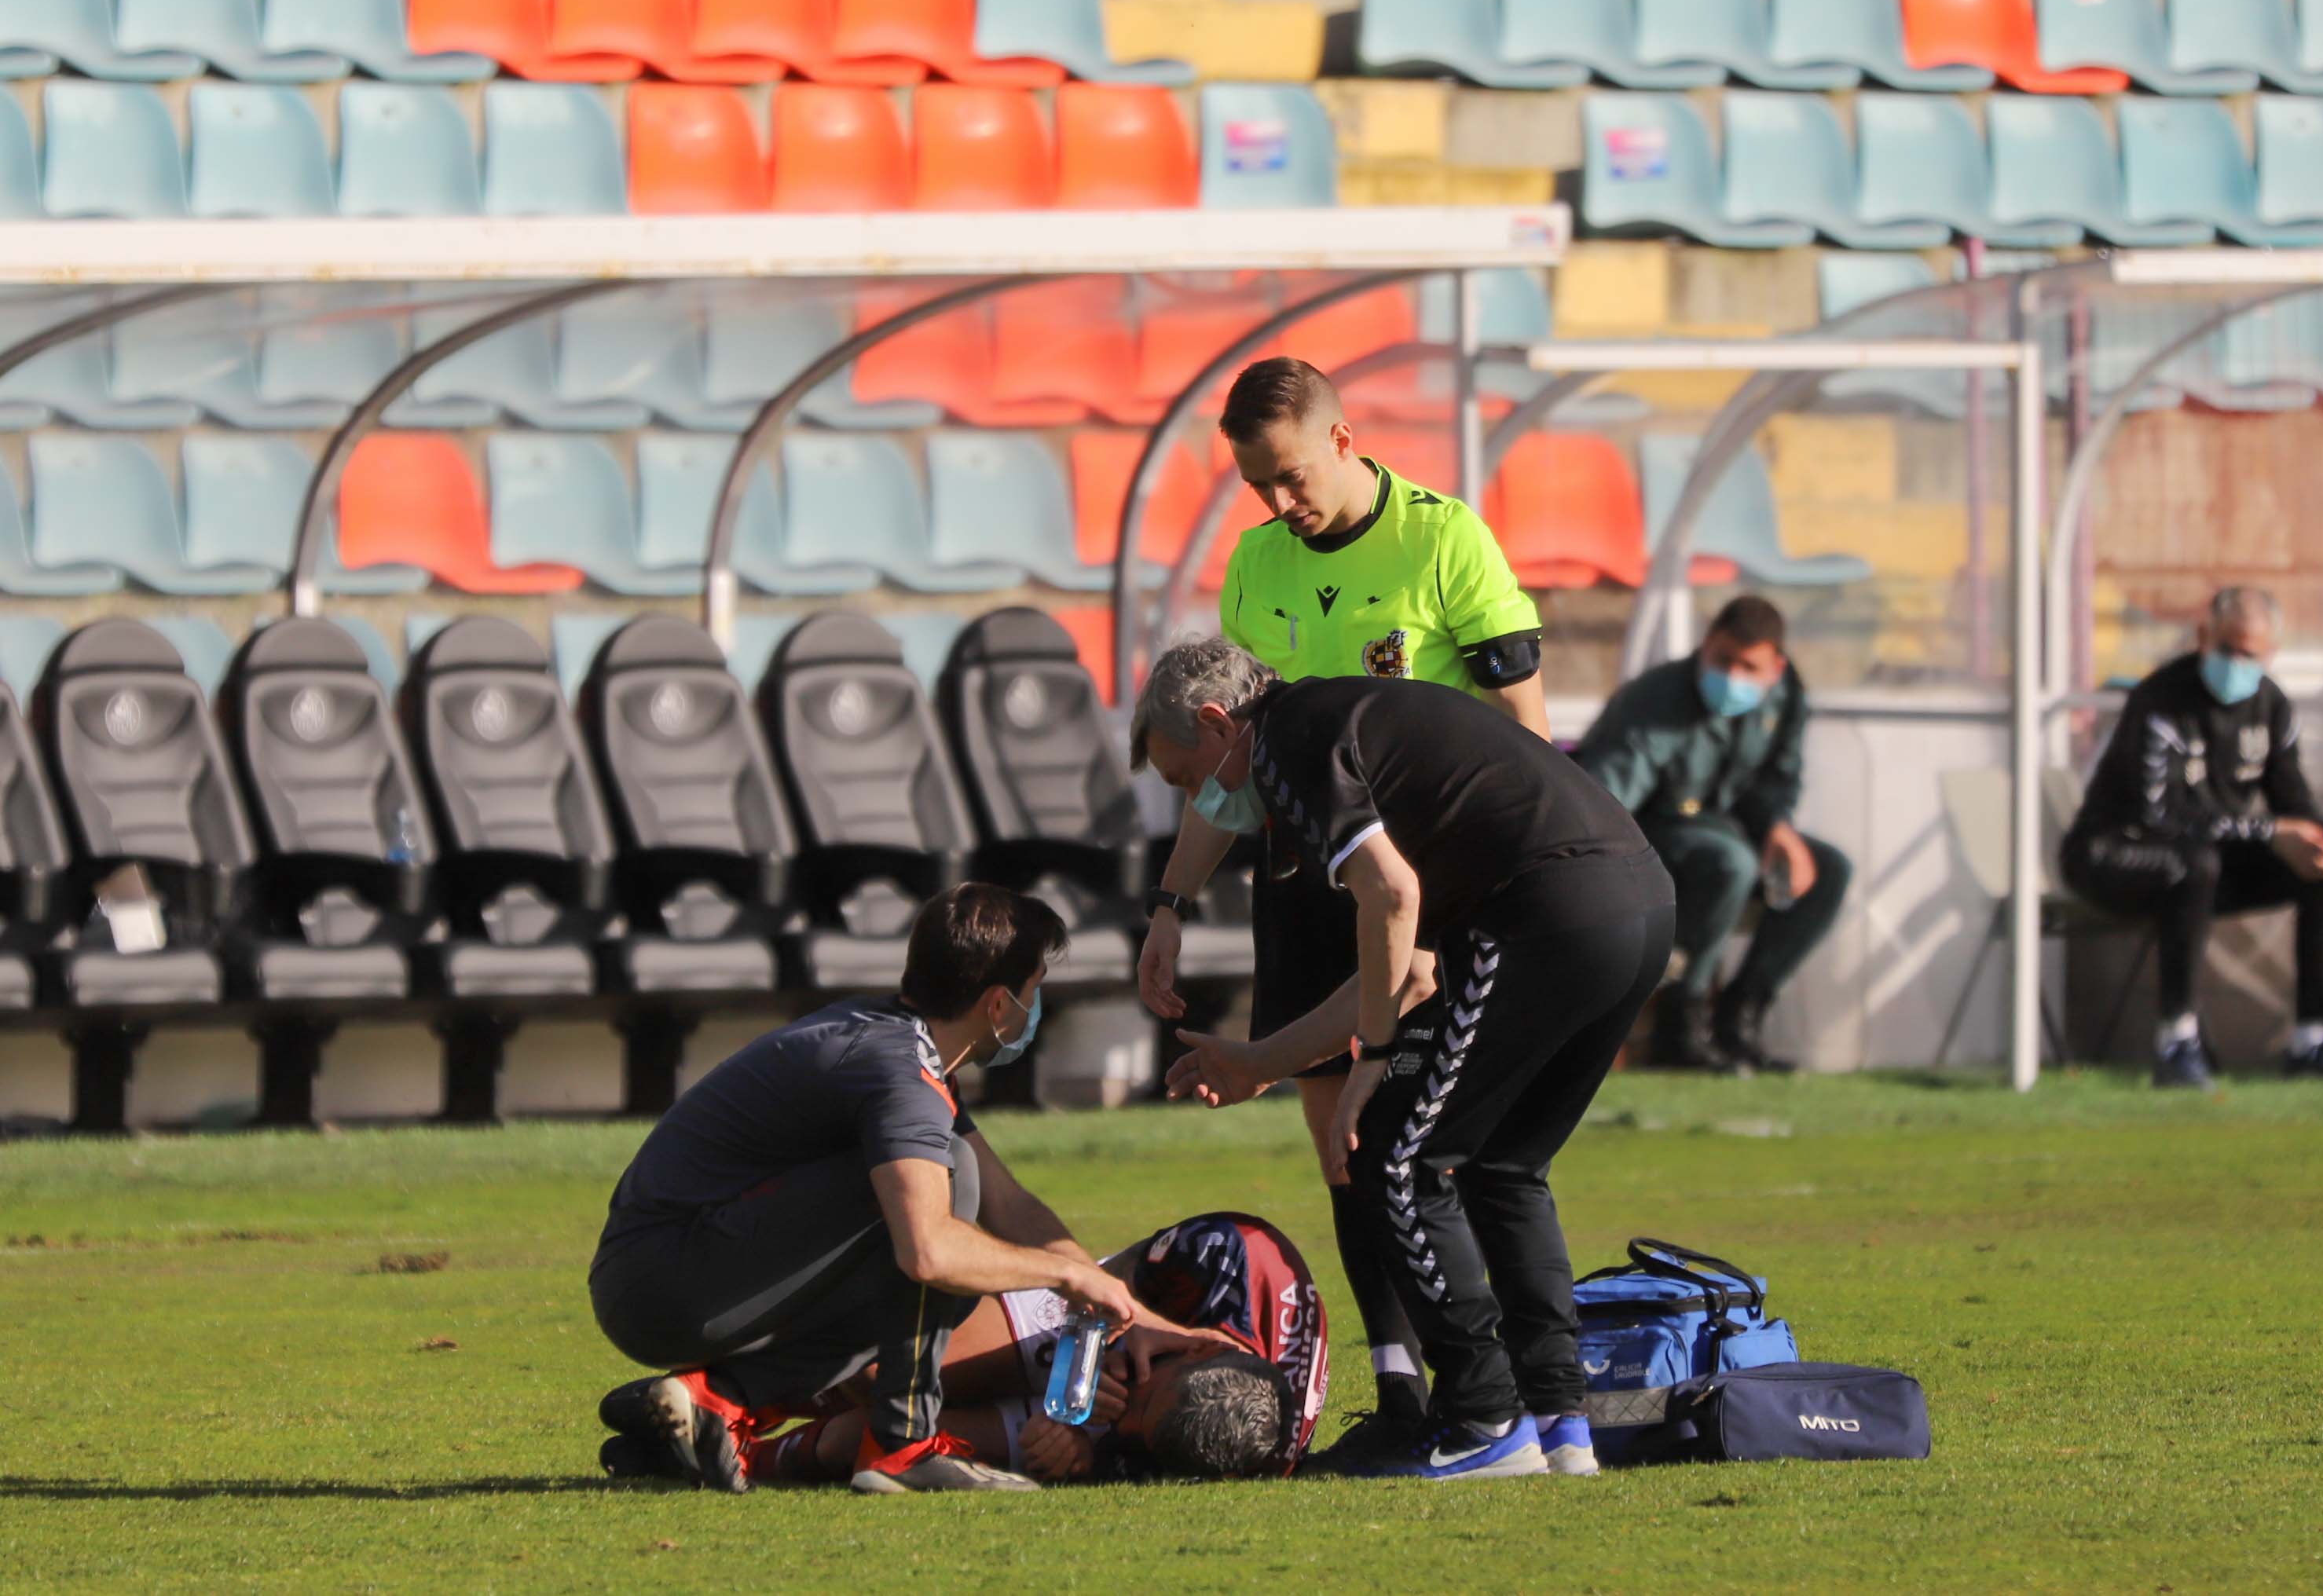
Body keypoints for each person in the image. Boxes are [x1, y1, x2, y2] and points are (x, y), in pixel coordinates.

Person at [1134, 638, 1676, 1481]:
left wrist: (1374, 1059)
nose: (1201, 798)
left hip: (1547, 912)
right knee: (1502, 1165)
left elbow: (1391, 897)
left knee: (1395, 1157)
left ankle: (1482, 1417)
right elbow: (1407, 961)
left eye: (1187, 777)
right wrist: (1262, 1059)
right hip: (1640, 903)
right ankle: (1560, 1424)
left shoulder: (1287, 744)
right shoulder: (1351, 720)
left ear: (1216, 723)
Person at [1134, 355, 1549, 1451]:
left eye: (1291, 477)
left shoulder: (1443, 539)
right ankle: (1401, 1391)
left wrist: (1505, 883)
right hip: (1304, 883)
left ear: (1343, 440)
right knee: (1341, 1149)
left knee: (1425, 1145)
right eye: (1255, 485)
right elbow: (1232, 765)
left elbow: (1528, 738)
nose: (1278, 503)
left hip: (1427, 891)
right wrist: (1171, 901)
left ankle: (1493, 1388)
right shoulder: (1254, 566)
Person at [586, 883, 1222, 1495]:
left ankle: (714, 1400)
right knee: (943, 1199)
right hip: (666, 1282)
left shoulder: (903, 1046)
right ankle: (903, 1445)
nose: (1035, 1008)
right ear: (999, 1005)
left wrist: (1137, 1317)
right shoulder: (900, 1075)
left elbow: (1010, 1205)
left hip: (669, 1276)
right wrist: (1063, 1277)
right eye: (1034, 989)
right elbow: (930, 1253)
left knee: (944, 1204)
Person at [606, 1211, 1327, 1486]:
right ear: (1198, 1350)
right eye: (1140, 1389)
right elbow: (1099, 1280)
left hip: (1113, 1404)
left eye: (1131, 1419)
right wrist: (1128, 1330)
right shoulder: (1233, 1257)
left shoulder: (1226, 1453)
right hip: (1100, 1315)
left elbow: (1133, 1444)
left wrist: (1083, 1447)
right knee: (893, 1372)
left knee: (871, 1437)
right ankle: (726, 1397)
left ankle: (734, 1461)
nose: (1121, 1401)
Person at [2058, 586, 2323, 1091]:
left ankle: (2314, 1041)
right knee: (2191, 866)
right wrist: (2269, 832)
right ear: (2203, 636)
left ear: (2272, 653)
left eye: (2249, 655)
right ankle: (2176, 1043)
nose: (2235, 664)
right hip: (2110, 855)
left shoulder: (2272, 706)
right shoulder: (2161, 701)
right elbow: (2160, 816)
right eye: (2226, 649)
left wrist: (2317, 837)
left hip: (2203, 859)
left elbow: (2291, 799)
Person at [1574, 595, 1850, 1074]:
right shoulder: (1654, 699)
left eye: (1749, 667)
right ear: (1706, 645)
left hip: (1730, 833)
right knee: (1731, 862)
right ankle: (1681, 1024)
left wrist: (1779, 827)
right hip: (1655, 837)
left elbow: (1778, 777)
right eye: (1723, 660)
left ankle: (1741, 1019)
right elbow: (1609, 799)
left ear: (1776, 668)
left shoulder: (1787, 696)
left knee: (1827, 870)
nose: (1733, 676)